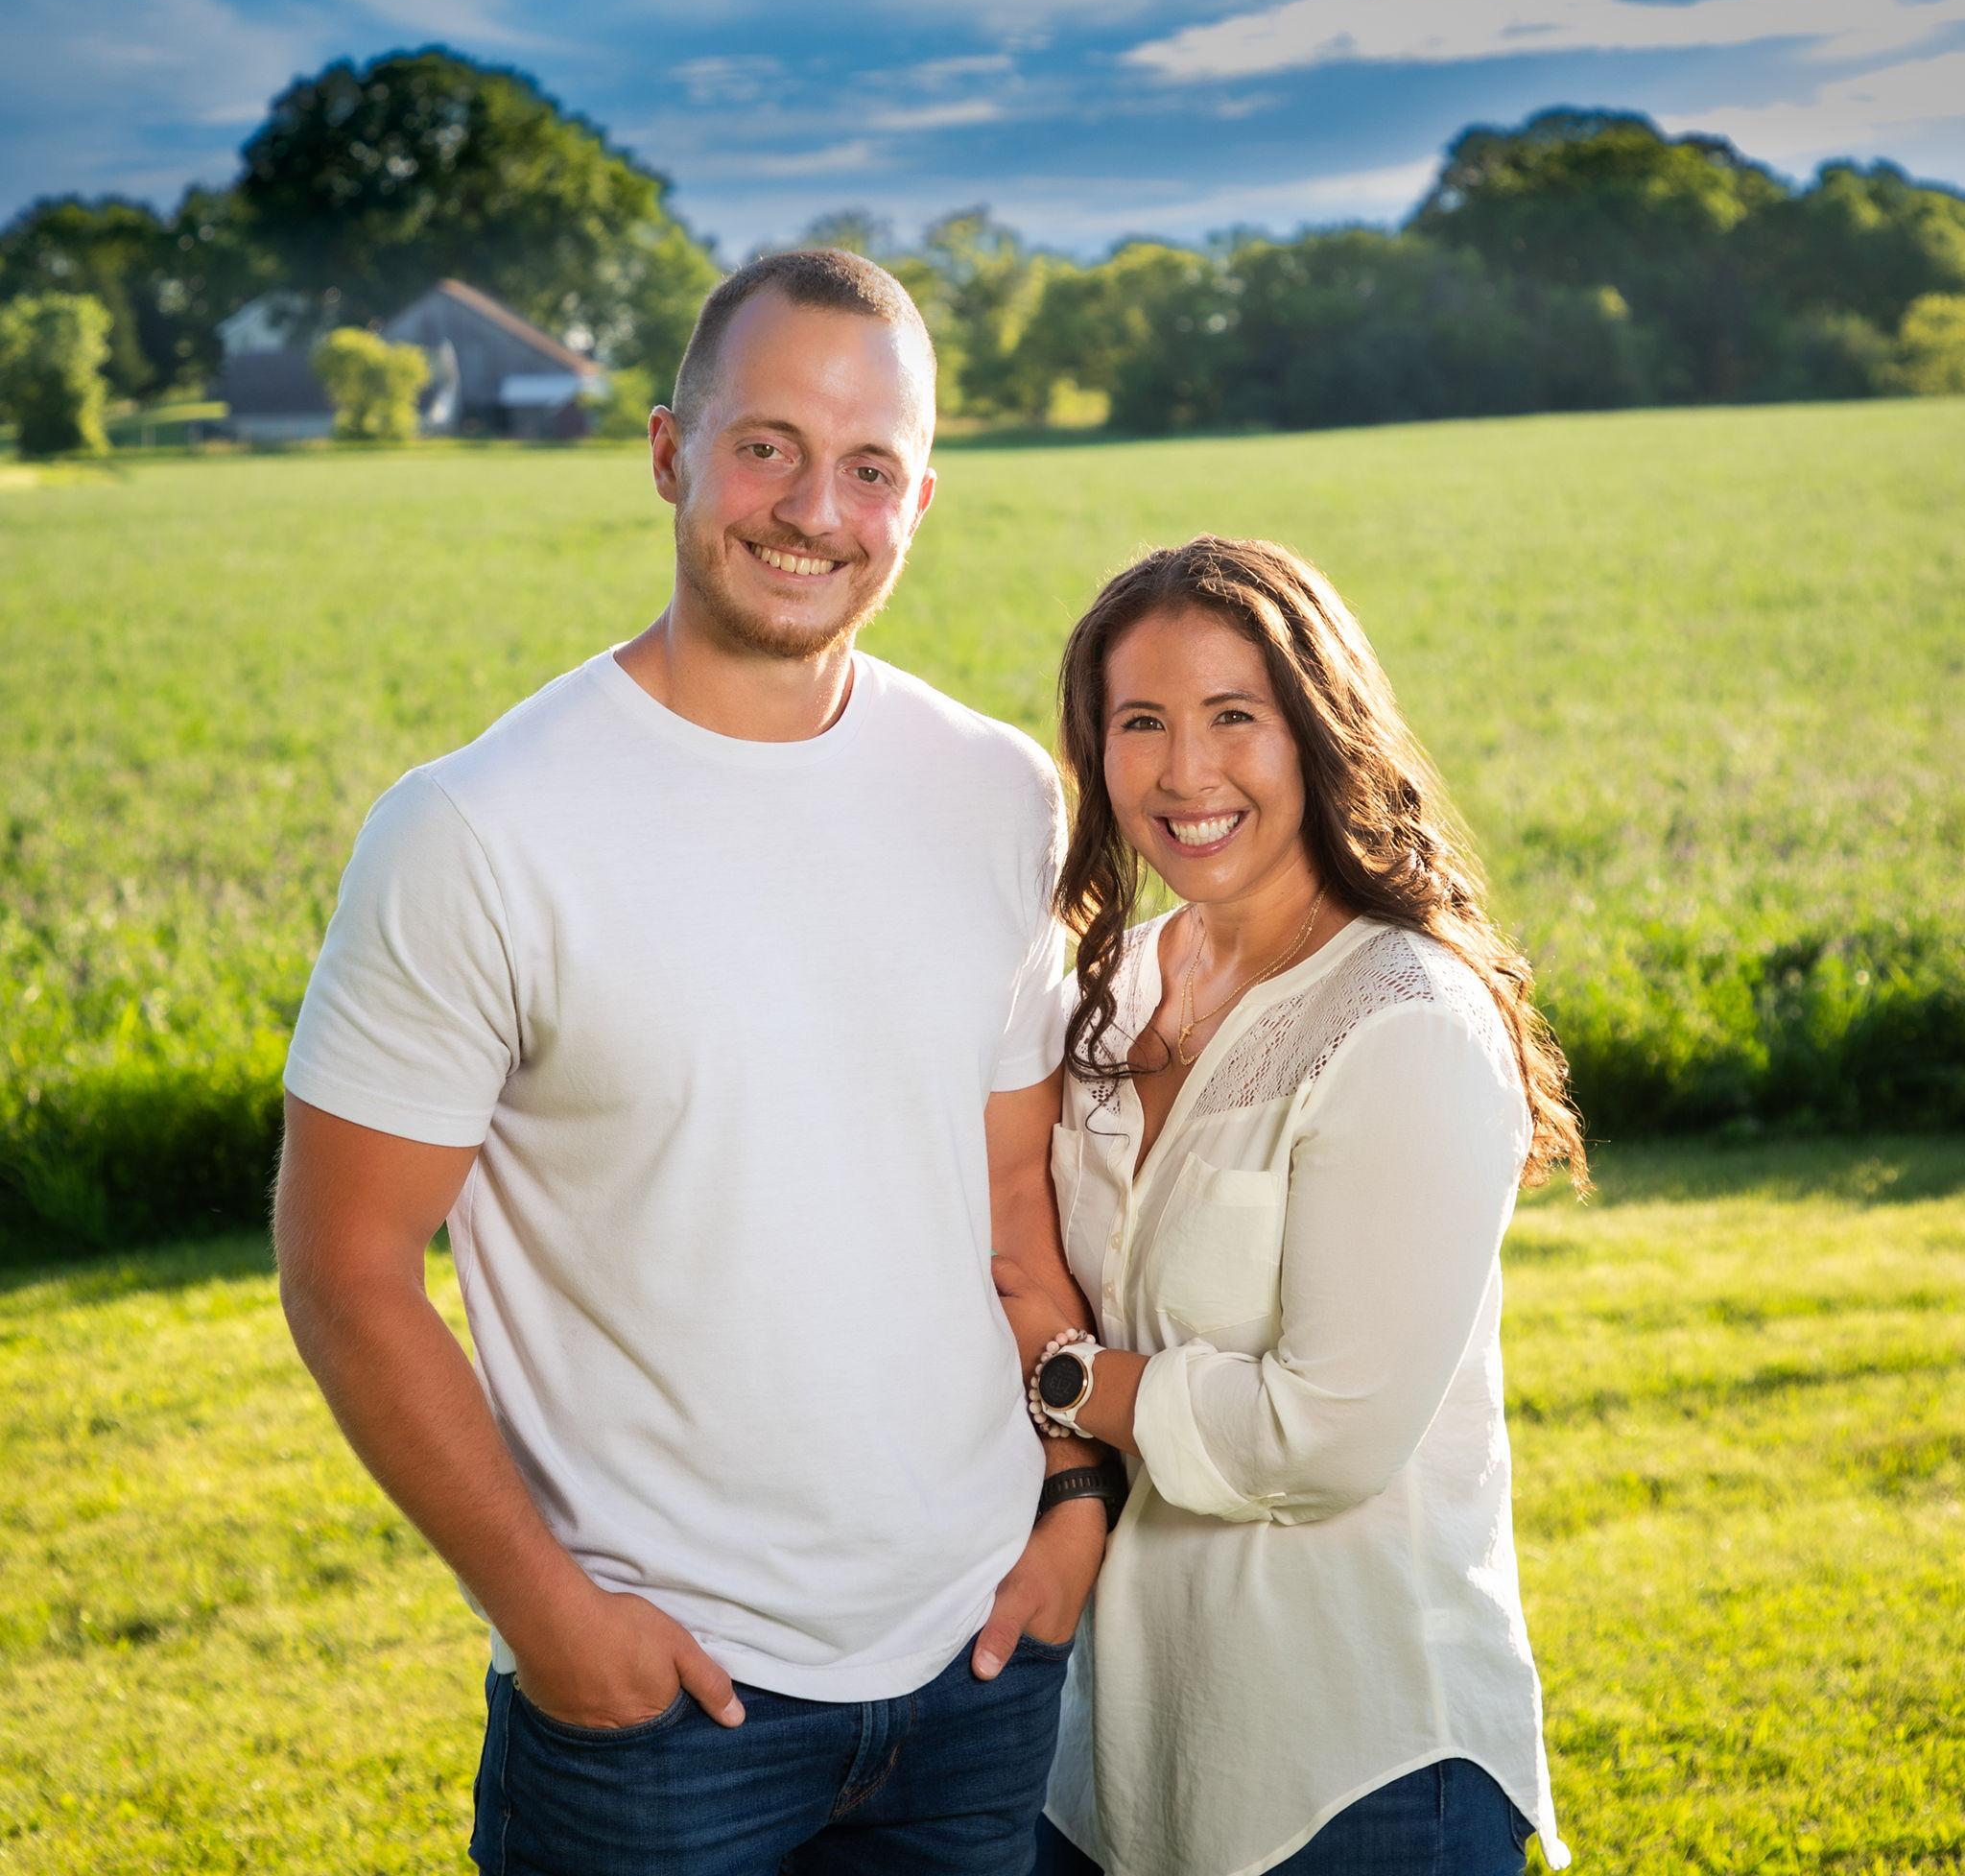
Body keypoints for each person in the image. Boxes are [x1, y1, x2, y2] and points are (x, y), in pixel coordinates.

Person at [273, 249, 1122, 1876]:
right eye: (767, 446)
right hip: (663, 1721)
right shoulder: (475, 832)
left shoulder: (1001, 794)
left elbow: (1016, 1209)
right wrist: (551, 1620)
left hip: (979, 1669)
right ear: (671, 452)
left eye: (869, 467)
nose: (814, 507)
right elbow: (346, 1268)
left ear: (920, 500)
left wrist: (1074, 1497)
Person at [990, 534, 1584, 1876]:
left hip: (1357, 1768)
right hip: (1112, 1755)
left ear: (1320, 731)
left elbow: (1322, 1433)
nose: (1185, 773)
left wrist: (1071, 1380)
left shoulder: (1405, 1022)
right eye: (1140, 722)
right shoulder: (1111, 987)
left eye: (1232, 719)